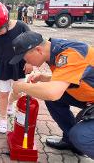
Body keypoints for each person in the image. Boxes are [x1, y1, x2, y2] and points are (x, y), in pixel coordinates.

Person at [10, 31, 94, 159]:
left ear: (38, 50)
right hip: (89, 96)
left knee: (81, 136)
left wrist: (21, 86)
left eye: (25, 58)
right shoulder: (55, 50)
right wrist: (43, 77)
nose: (25, 62)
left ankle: (77, 140)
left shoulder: (71, 54)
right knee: (53, 100)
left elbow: (52, 93)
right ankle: (71, 142)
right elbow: (71, 77)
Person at [0, 1, 33, 133]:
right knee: (3, 94)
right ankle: (3, 118)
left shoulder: (22, 26)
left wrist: (29, 62)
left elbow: (32, 45)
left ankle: (10, 103)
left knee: (18, 92)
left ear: (6, 21)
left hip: (20, 66)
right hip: (2, 67)